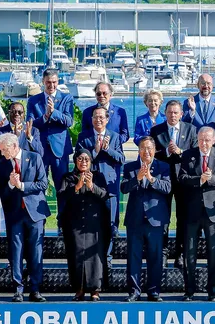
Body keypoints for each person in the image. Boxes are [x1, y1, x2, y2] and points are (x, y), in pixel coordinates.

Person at [0, 133, 50, 302]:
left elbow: (43, 183)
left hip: (34, 213)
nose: (3, 153)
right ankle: (18, 289)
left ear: (14, 146)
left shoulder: (34, 158)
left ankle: (35, 289)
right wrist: (11, 185)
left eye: (5, 150)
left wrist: (22, 186)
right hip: (15, 214)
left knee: (36, 251)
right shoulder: (3, 164)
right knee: (15, 251)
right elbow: (1, 190)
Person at [178, 127, 215, 301]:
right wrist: (199, 180)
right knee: (189, 254)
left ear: (214, 140)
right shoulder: (187, 155)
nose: (204, 143)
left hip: (213, 212)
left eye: (207, 140)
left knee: (214, 253)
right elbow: (182, 179)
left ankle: (212, 291)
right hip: (192, 212)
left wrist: (211, 178)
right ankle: (189, 290)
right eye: (201, 139)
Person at [75, 107, 126, 275]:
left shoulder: (115, 136)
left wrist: (106, 149)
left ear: (107, 119)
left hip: (109, 187)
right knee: (91, 225)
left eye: (101, 117)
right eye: (95, 117)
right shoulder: (84, 137)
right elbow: (79, 159)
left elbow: (121, 159)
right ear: (91, 119)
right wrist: (95, 151)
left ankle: (108, 260)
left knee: (110, 225)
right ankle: (91, 261)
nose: (98, 120)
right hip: (90, 186)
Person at [121, 137, 171, 302]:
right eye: (143, 148)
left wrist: (151, 178)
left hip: (155, 220)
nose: (146, 152)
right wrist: (137, 178)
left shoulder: (163, 167)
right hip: (135, 219)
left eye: (149, 148)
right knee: (133, 257)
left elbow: (167, 188)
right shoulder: (130, 167)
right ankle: (134, 291)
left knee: (155, 257)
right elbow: (124, 188)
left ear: (154, 149)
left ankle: (154, 291)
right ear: (139, 150)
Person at [58, 149, 111, 301]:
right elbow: (61, 195)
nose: (84, 162)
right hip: (74, 224)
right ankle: (79, 289)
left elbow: (105, 195)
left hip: (95, 224)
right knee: (76, 256)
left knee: (95, 256)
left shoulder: (98, 176)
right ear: (75, 160)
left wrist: (91, 186)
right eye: (80, 159)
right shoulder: (68, 177)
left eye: (87, 159)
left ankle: (95, 290)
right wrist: (77, 186)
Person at [150, 100, 197, 268]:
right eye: (170, 112)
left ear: (181, 114)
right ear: (165, 113)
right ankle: (162, 254)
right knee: (162, 219)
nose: (172, 115)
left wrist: (180, 152)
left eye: (176, 112)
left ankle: (180, 253)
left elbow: (194, 155)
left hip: (184, 181)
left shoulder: (190, 129)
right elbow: (152, 155)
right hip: (163, 179)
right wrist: (167, 152)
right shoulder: (156, 130)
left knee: (182, 218)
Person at [28, 68, 75, 218]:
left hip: (59, 150)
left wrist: (54, 112)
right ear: (43, 82)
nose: (51, 86)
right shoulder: (34, 101)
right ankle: (39, 218)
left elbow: (69, 121)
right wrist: (45, 116)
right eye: (48, 82)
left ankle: (62, 221)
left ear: (58, 82)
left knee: (62, 186)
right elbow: (31, 123)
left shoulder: (66, 98)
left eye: (54, 82)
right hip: (39, 149)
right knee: (38, 184)